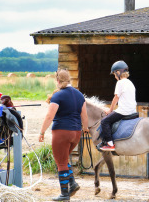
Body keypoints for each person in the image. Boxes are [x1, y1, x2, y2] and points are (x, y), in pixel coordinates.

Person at [39, 69, 89, 201]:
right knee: (64, 159)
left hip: (62, 131)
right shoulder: (80, 95)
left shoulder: (58, 96)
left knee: (61, 163)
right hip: (76, 133)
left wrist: (42, 131)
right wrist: (86, 129)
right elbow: (84, 115)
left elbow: (50, 116)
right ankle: (72, 184)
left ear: (58, 81)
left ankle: (64, 194)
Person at [99, 60, 137, 151]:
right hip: (133, 110)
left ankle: (110, 144)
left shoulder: (120, 83)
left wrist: (110, 110)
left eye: (115, 75)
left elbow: (116, 98)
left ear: (118, 72)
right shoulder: (130, 82)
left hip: (124, 111)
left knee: (104, 122)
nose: (115, 77)